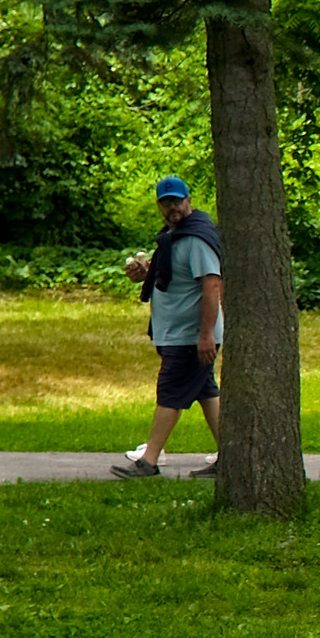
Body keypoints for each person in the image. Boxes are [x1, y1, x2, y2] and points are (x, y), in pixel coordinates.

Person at [114, 175, 225, 479]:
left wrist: (205, 335)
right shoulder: (173, 235)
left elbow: (212, 285)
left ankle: (148, 461)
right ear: (159, 205)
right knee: (206, 392)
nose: (172, 207)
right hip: (181, 334)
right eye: (166, 202)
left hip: (191, 337)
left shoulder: (196, 238)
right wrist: (146, 272)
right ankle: (231, 458)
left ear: (189, 200)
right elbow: (176, 276)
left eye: (177, 200)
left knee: (169, 392)